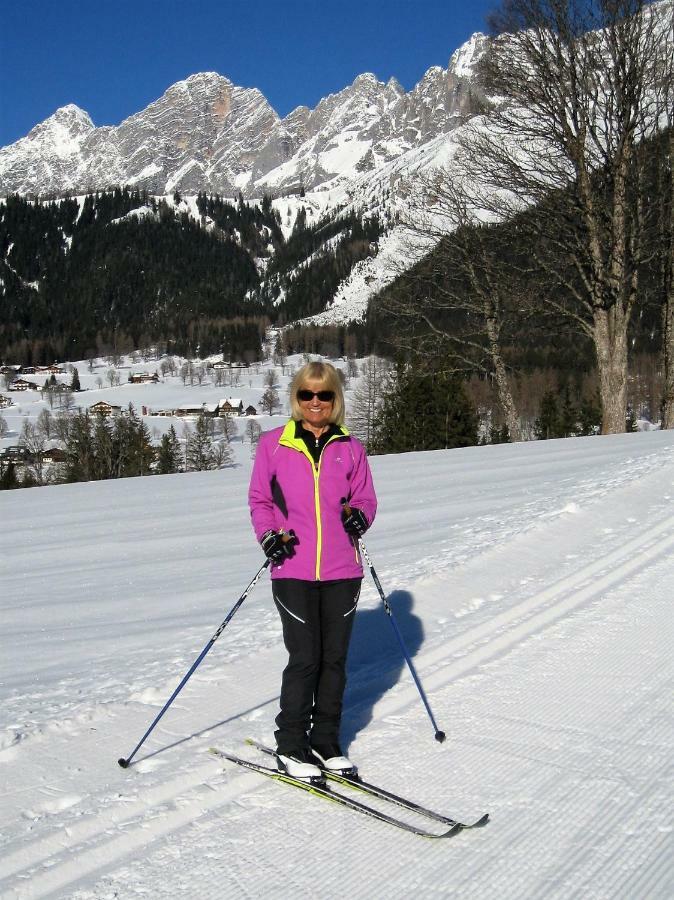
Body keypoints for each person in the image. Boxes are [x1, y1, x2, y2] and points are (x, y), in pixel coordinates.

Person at [248, 361, 377, 781]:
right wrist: (269, 535)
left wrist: (360, 517)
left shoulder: (351, 448)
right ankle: (291, 745)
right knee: (306, 657)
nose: (315, 403)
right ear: (297, 398)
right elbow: (259, 500)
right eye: (307, 394)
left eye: (324, 395)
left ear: (335, 399)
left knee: (334, 659)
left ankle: (325, 741)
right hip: (292, 567)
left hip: (343, 568)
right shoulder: (274, 445)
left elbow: (365, 499)